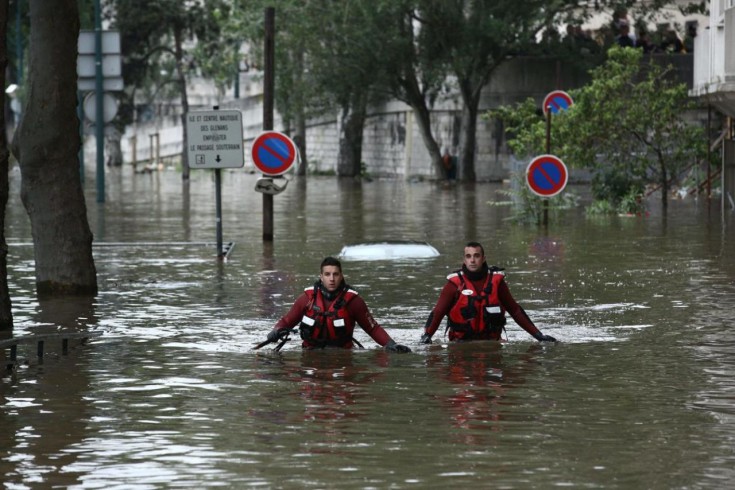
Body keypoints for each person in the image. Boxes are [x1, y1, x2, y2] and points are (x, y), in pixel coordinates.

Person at [419, 242, 557, 344]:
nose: (472, 260)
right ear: (464, 260)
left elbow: (515, 311)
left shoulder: (497, 282)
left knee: (493, 381)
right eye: (468, 256)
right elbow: (437, 313)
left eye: (476, 256)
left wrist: (539, 336)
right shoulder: (453, 284)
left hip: (492, 342)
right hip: (460, 345)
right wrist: (427, 336)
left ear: (483, 258)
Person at [266, 257, 411, 352]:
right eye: (327, 274)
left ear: (341, 275)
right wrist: (275, 331)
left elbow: (372, 328)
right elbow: (287, 321)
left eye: (335, 274)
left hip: (343, 355)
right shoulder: (306, 299)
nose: (332, 279)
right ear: (321, 277)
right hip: (310, 354)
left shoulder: (354, 302)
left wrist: (391, 344)